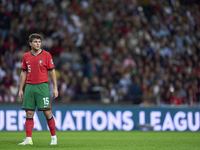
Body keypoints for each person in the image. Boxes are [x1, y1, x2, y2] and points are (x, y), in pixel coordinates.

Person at [18, 33, 58, 145]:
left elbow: (52, 71)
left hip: (42, 86)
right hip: (29, 87)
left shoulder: (46, 55)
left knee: (47, 113)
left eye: (39, 42)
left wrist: (55, 88)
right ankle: (28, 139)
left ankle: (54, 137)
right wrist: (21, 89)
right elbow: (23, 72)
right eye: (35, 42)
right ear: (30, 43)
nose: (38, 44)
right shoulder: (26, 56)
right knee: (29, 113)